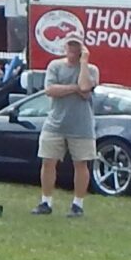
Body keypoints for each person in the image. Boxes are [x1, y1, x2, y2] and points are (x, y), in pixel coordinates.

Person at [34, 34, 98, 216]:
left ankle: (78, 204)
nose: (72, 49)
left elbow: (85, 88)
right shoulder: (55, 66)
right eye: (69, 45)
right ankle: (45, 202)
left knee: (81, 164)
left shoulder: (91, 69)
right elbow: (50, 90)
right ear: (65, 48)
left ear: (82, 49)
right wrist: (73, 88)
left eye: (76, 46)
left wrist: (84, 63)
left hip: (81, 126)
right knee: (48, 161)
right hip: (55, 124)